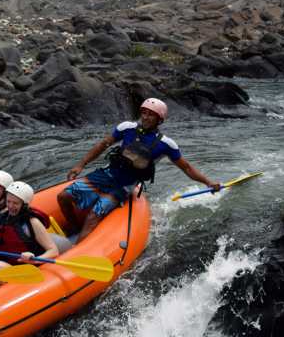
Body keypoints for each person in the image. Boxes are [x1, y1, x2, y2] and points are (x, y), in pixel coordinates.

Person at [58, 97, 220, 240]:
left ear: (159, 120)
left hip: (124, 186)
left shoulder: (166, 144)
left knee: (95, 214)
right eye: (144, 112)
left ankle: (79, 249)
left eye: (151, 114)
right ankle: (74, 227)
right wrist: (80, 165)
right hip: (106, 175)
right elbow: (103, 145)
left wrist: (208, 182)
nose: (145, 117)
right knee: (63, 196)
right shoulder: (126, 128)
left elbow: (187, 168)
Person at [0, 181, 59, 272]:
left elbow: (53, 251)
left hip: (30, 268)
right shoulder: (2, 217)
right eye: (8, 201)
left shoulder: (32, 222)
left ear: (24, 205)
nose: (10, 206)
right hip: (9, 264)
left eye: (15, 203)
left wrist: (34, 259)